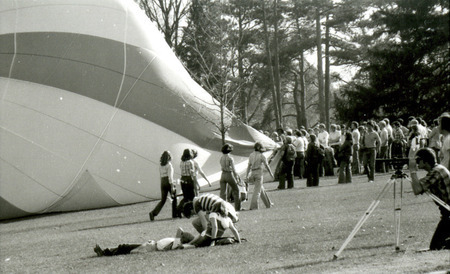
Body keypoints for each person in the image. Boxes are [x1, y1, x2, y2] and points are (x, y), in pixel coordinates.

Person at [409, 148, 450, 250]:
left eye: (418, 161)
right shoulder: (438, 169)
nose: (417, 164)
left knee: (436, 247)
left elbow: (417, 189)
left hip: (448, 213)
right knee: (438, 245)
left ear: (424, 161)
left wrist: (412, 171)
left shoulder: (436, 172)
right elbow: (420, 186)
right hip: (447, 212)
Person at [245, 142, 275, 210]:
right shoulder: (262, 155)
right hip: (259, 172)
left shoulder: (251, 155)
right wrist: (271, 173)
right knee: (257, 191)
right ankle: (253, 206)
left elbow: (249, 165)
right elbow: (266, 165)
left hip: (253, 172)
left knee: (261, 189)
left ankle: (268, 204)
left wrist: (247, 175)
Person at [149, 151, 176, 221]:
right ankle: (175, 214)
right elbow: (170, 177)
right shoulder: (169, 165)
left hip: (162, 181)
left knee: (163, 200)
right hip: (168, 181)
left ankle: (153, 213)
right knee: (174, 197)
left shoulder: (161, 165)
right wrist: (172, 185)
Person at [219, 143, 241, 211]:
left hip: (223, 175)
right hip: (229, 174)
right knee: (236, 190)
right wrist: (237, 176)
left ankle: (223, 208)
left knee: (223, 193)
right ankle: (237, 208)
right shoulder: (230, 158)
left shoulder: (221, 158)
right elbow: (234, 169)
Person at [176, 149, 196, 215]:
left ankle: (178, 209)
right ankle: (193, 210)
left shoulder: (181, 162)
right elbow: (192, 172)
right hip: (189, 179)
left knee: (186, 197)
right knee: (193, 196)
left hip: (183, 179)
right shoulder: (190, 162)